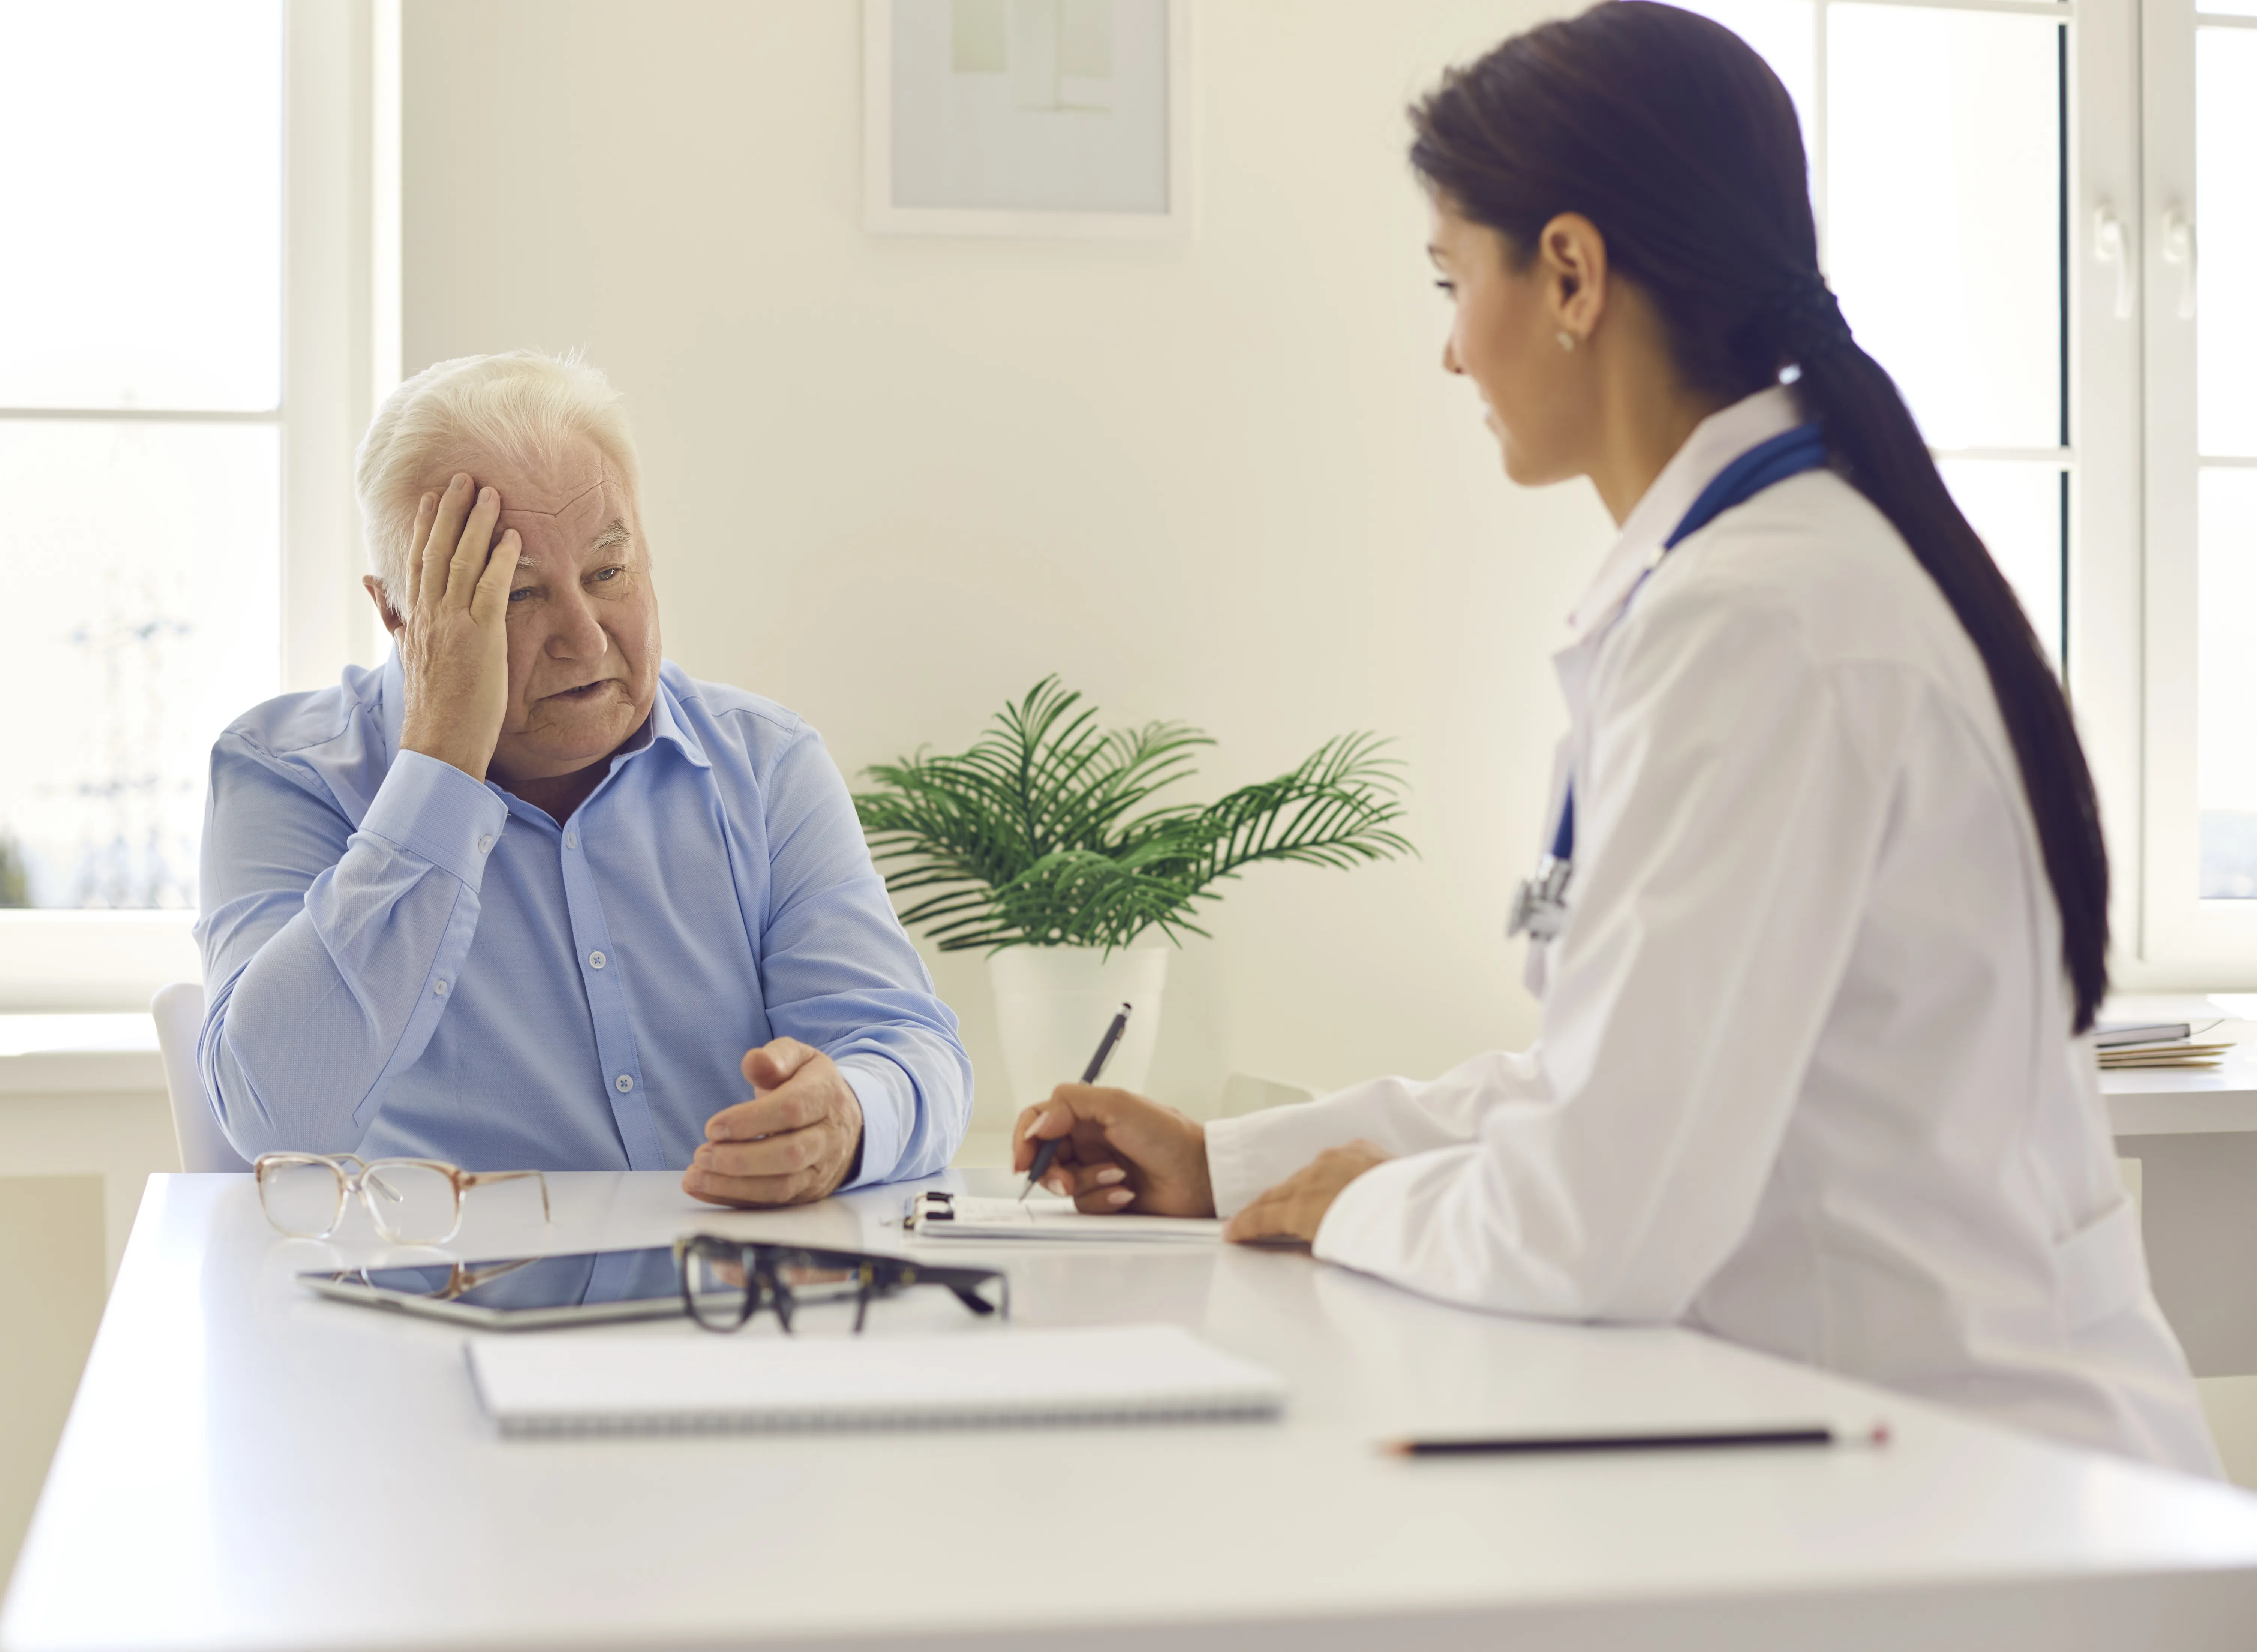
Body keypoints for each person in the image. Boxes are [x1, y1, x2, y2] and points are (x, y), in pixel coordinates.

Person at [1012, 3, 2219, 1475]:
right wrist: (1229, 1161)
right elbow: (1589, 1082)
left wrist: (1349, 1203)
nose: (1449, 352)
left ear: (1570, 273)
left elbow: (1597, 1223)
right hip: (1903, 1453)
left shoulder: (1759, 623)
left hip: (1985, 1480)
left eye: (1452, 279)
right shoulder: (1737, 586)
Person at [196, 350, 971, 1207]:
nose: (587, 638)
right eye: (515, 595)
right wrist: (440, 767)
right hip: (450, 1288)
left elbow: (908, 1050)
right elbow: (275, 1118)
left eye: (608, 573)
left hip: (724, 1283)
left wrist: (848, 1118)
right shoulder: (285, 775)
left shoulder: (764, 763)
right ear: (398, 613)